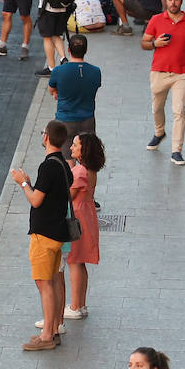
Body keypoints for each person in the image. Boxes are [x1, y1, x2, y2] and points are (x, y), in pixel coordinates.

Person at [8, 120, 73, 351]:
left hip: (43, 234)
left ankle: (46, 335)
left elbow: (36, 199)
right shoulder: (65, 165)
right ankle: (53, 329)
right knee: (54, 281)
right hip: (58, 233)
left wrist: (23, 182)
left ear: (46, 137)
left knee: (43, 283)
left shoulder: (48, 166)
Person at [143, 0, 185, 165]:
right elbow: (144, 43)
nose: (173, 3)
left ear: (181, 1)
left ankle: (177, 150)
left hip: (181, 74)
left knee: (179, 111)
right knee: (156, 108)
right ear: (166, 1)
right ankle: (159, 132)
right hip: (159, 72)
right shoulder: (156, 20)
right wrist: (155, 43)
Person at [63, 132, 104, 323]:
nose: (71, 148)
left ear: (83, 149)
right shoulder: (90, 170)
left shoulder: (79, 172)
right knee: (80, 262)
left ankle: (75, 306)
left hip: (77, 218)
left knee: (74, 261)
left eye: (75, 145)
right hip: (87, 216)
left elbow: (67, 197)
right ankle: (81, 303)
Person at [48, 34, 102, 146]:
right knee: (86, 154)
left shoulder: (58, 71)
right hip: (88, 119)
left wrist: (58, 93)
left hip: (65, 120)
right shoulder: (96, 71)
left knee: (67, 156)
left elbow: (51, 90)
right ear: (86, 50)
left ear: (68, 49)